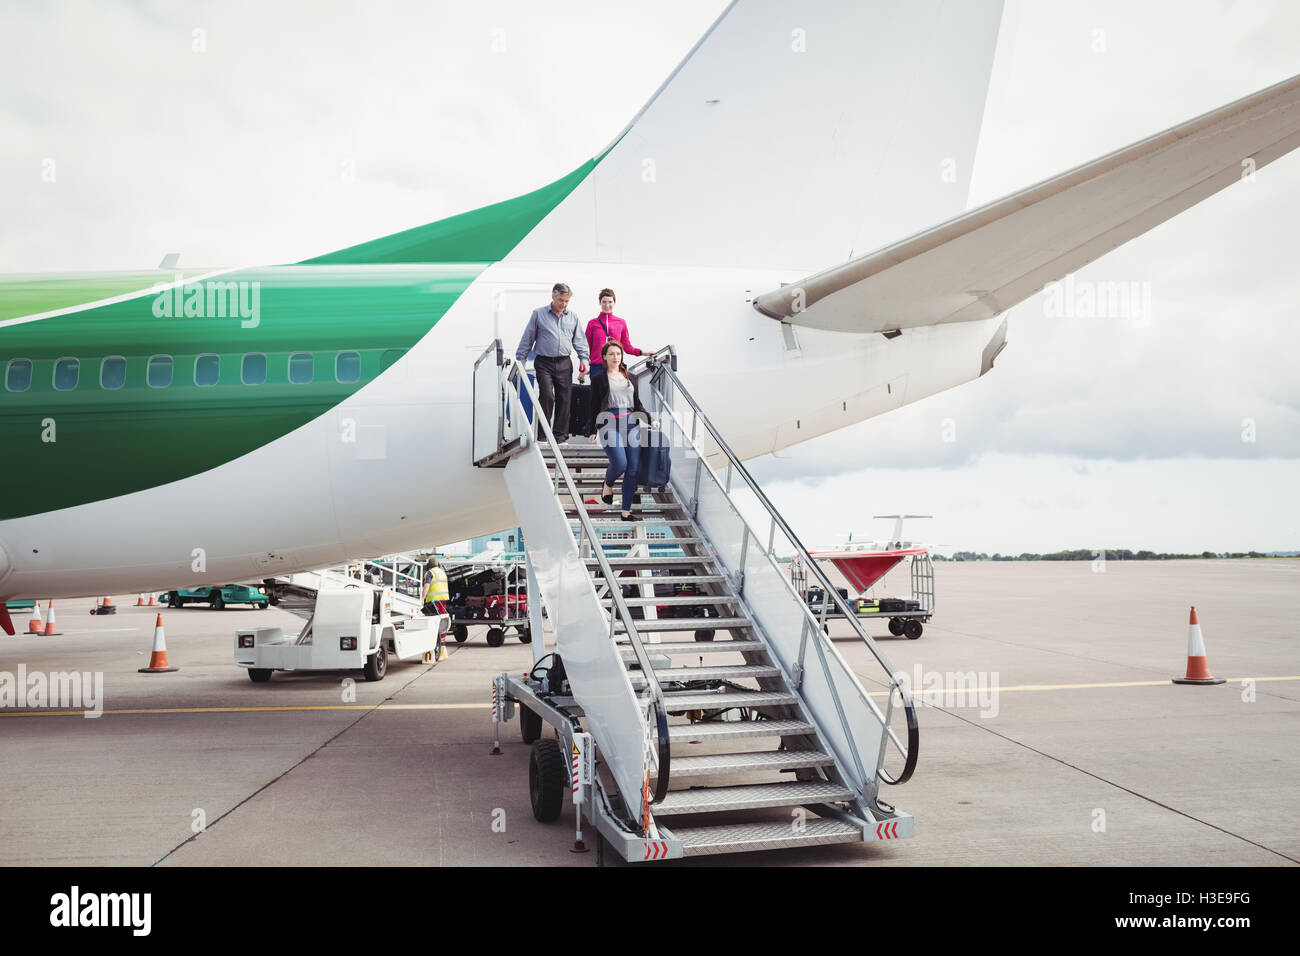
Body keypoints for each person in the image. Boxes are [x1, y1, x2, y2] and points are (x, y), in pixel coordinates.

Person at [515, 282, 589, 443]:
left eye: (567, 301)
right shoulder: (538, 314)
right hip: (544, 362)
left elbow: (580, 341)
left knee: (565, 398)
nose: (563, 304)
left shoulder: (573, 317)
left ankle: (560, 435)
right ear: (553, 297)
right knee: (547, 395)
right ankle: (543, 434)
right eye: (561, 300)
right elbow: (528, 338)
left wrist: (584, 359)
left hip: (564, 363)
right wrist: (520, 360)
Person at [588, 341, 652, 522]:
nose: (615, 357)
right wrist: (592, 430)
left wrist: (649, 419)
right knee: (620, 463)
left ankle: (625, 512)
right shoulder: (599, 379)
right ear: (604, 357)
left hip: (631, 423)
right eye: (611, 354)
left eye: (618, 354)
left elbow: (637, 403)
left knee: (632, 469)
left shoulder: (631, 377)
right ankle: (607, 484)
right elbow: (593, 406)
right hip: (609, 423)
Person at [584, 288, 642, 385]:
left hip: (616, 367)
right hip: (597, 368)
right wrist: (583, 368)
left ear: (614, 303)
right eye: (604, 302)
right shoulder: (592, 323)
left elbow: (627, 347)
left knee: (615, 397)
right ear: (600, 303)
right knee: (598, 399)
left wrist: (642, 352)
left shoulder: (621, 323)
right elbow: (585, 348)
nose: (607, 305)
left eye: (610, 302)